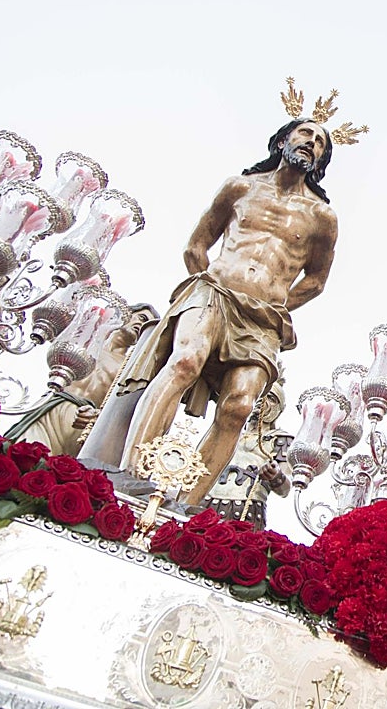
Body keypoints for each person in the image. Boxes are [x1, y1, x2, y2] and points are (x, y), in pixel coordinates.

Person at [118, 115, 340, 504]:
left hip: (263, 318)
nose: (312, 142)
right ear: (282, 141)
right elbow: (196, 246)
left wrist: (276, 303)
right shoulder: (240, 188)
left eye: (320, 142)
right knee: (185, 361)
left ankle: (185, 504)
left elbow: (316, 280)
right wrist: (202, 287)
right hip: (214, 293)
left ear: (321, 160)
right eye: (305, 133)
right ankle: (132, 473)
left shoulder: (322, 217)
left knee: (239, 405)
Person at [6, 303, 159, 456]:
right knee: (25, 455)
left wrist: (97, 415)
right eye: (142, 318)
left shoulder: (131, 368)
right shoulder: (85, 343)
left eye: (147, 326)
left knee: (60, 468)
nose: (142, 325)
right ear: (126, 314)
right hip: (52, 409)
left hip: (84, 424)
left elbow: (124, 411)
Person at [200, 383, 293, 529]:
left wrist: (275, 475)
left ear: (280, 408)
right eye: (259, 394)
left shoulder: (281, 440)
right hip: (206, 501)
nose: (262, 400)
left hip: (246, 508)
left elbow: (286, 488)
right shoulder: (228, 432)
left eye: (270, 398)